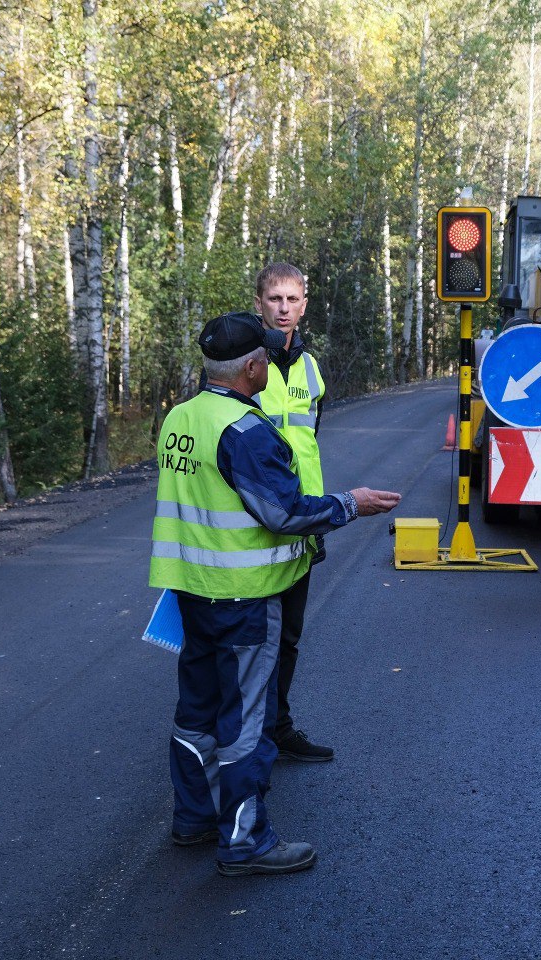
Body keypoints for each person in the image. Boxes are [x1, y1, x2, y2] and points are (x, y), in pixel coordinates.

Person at [150, 312, 400, 877]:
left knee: (196, 711)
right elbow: (282, 512)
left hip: (191, 590)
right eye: (264, 360)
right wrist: (350, 504)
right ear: (253, 367)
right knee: (244, 721)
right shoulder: (246, 430)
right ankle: (245, 841)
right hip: (242, 595)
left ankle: (193, 817)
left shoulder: (180, 419)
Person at [252, 263, 333, 763]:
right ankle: (249, 737)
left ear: (304, 305)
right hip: (256, 523)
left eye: (292, 299)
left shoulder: (309, 367)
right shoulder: (241, 360)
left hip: (303, 521)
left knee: (289, 636)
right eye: (274, 299)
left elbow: (309, 441)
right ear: (259, 303)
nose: (283, 309)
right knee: (251, 639)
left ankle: (277, 727)